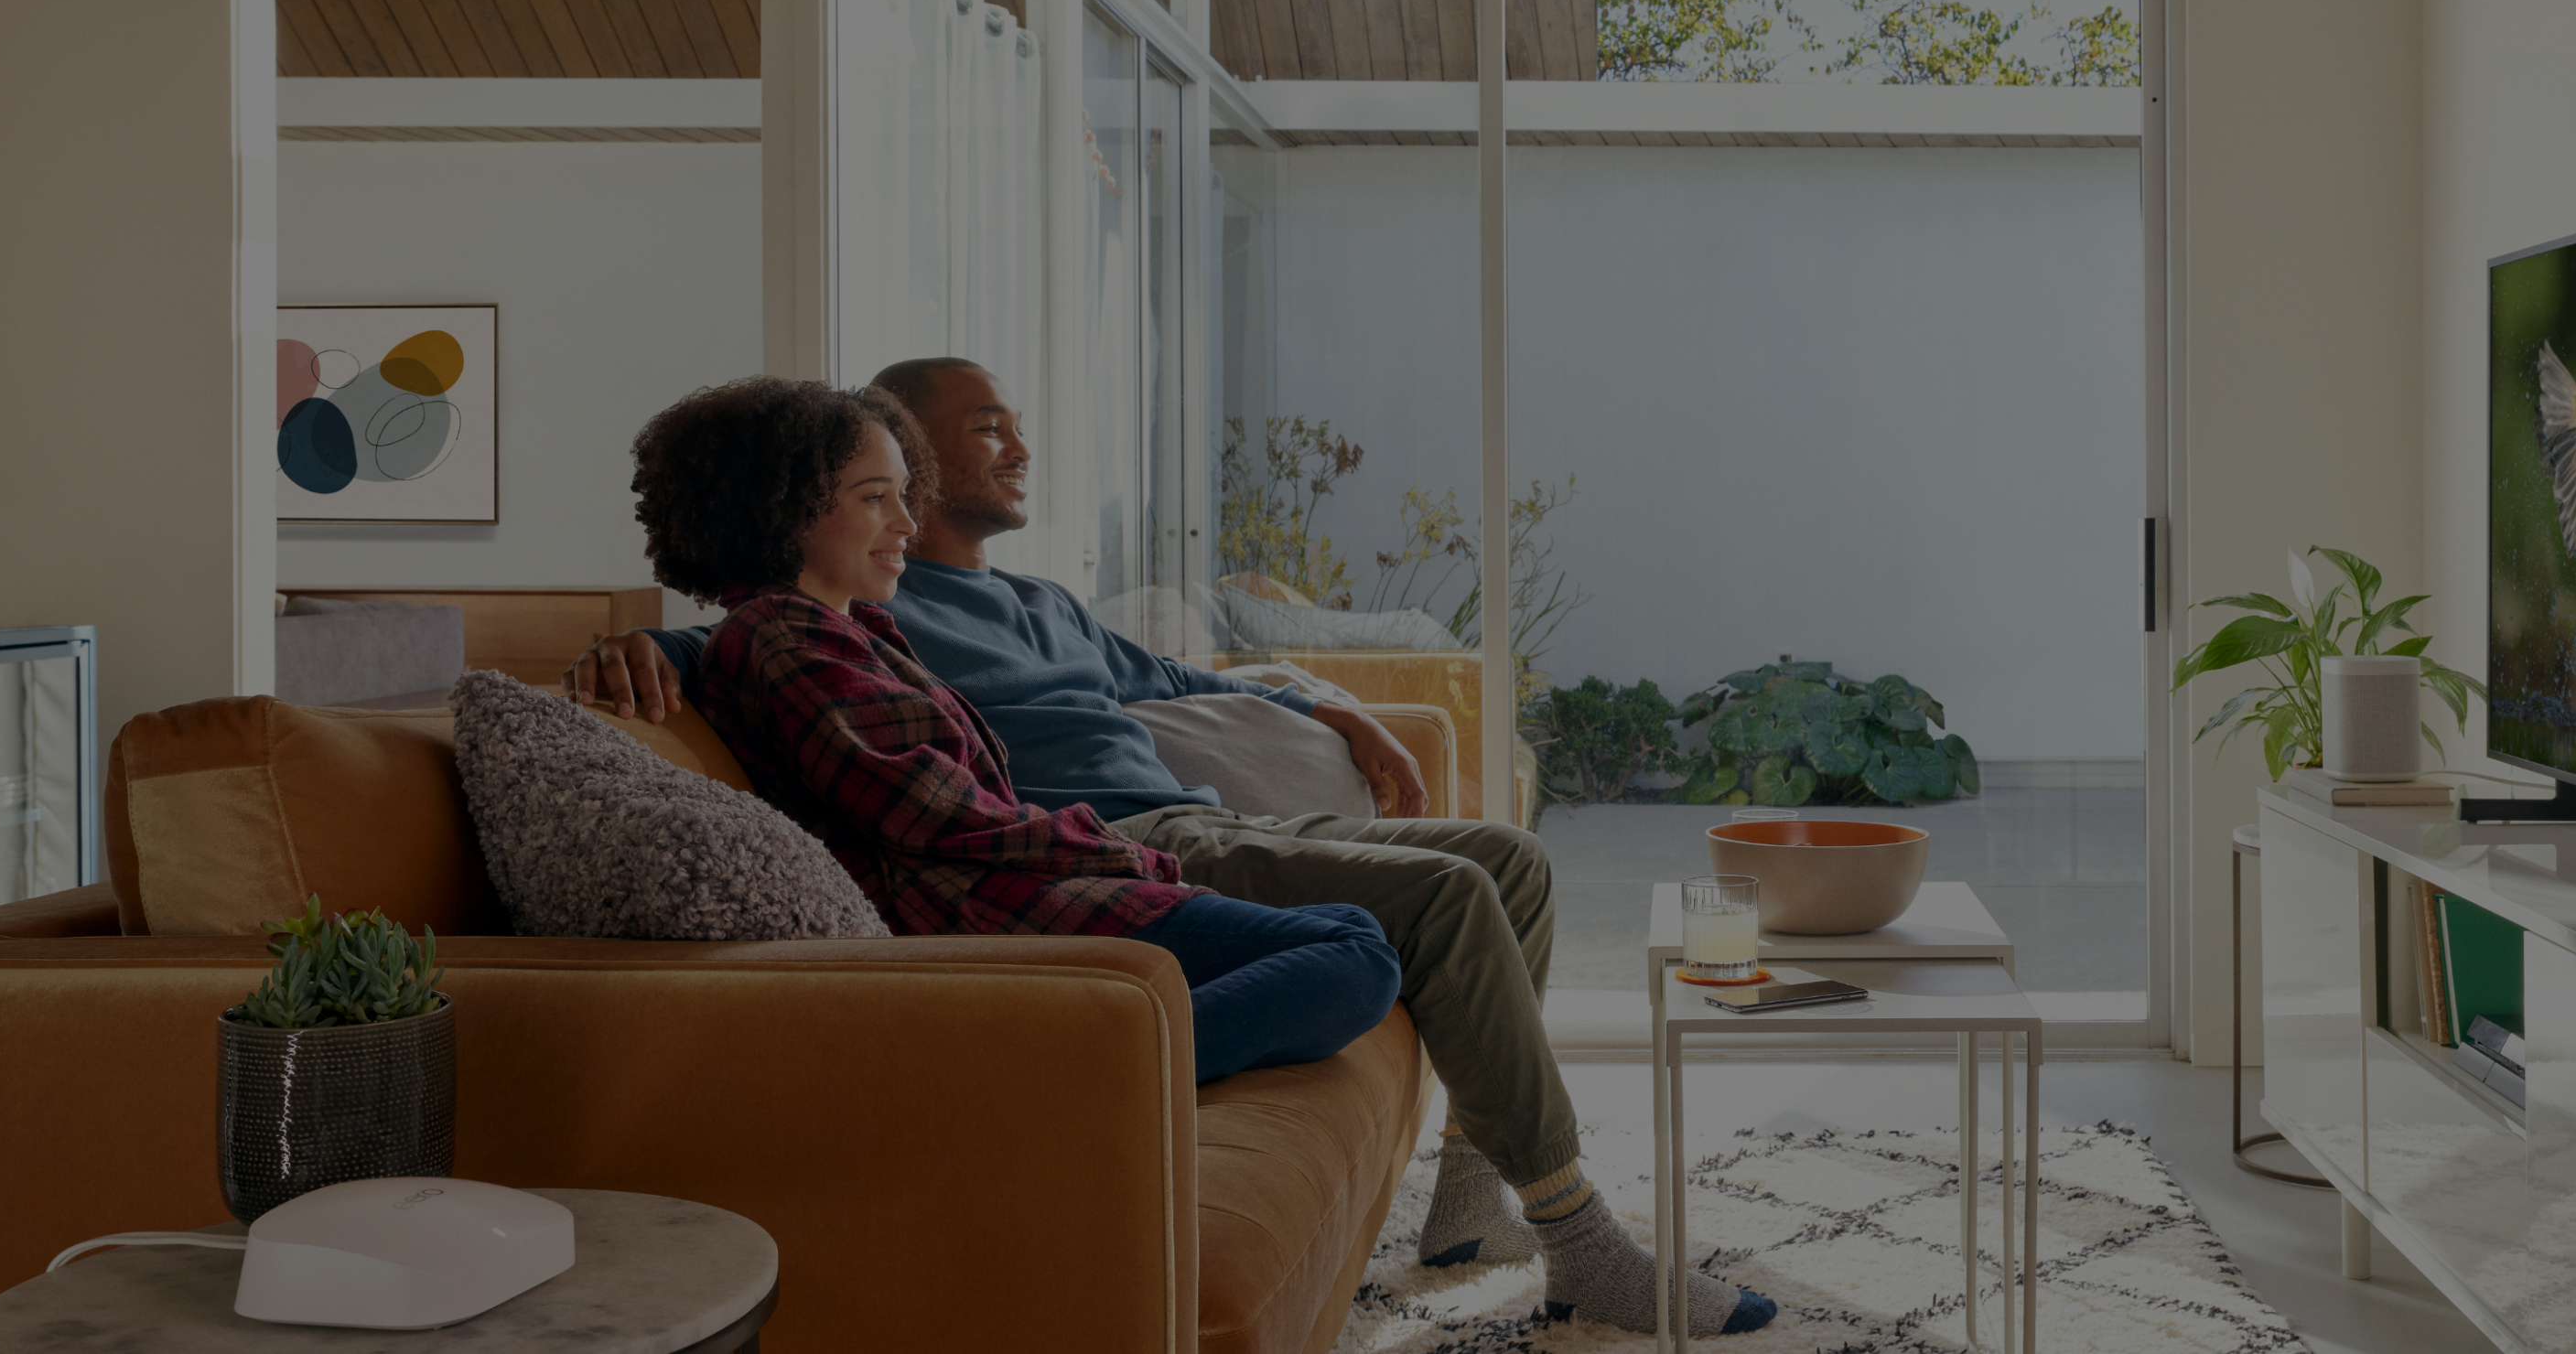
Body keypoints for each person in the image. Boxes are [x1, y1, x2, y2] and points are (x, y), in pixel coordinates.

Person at [582, 361, 1775, 1336]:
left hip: (1176, 829)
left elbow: (1171, 676)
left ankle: (1468, 1206)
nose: (1011, 448)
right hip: (1095, 858)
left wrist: (1325, 703)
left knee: (1508, 859)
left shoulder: (1005, 606)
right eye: (972, 432)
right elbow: (758, 656)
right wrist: (637, 652)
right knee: (1444, 902)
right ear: (832, 489)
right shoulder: (849, 620)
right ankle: (1583, 1238)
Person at [627, 376, 1399, 1086]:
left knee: (1351, 930)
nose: (906, 520)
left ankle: (1119, 1044)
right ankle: (1068, 1075)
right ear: (783, 509)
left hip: (1012, 893)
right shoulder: (784, 637)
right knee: (1355, 954)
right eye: (874, 499)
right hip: (978, 912)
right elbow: (939, 820)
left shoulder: (853, 627)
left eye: (904, 493)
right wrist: (1118, 852)